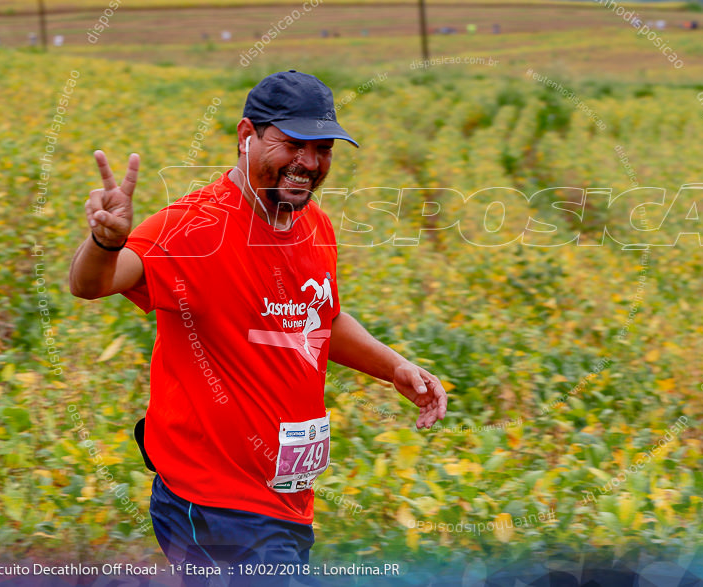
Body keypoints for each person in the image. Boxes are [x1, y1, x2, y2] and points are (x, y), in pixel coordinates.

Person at [68, 70, 449, 584]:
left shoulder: (313, 223)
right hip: (213, 501)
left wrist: (395, 367)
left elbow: (319, 319)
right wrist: (106, 241)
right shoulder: (193, 227)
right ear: (247, 137)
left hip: (286, 500)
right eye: (293, 144)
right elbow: (93, 283)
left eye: (323, 150)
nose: (309, 164)